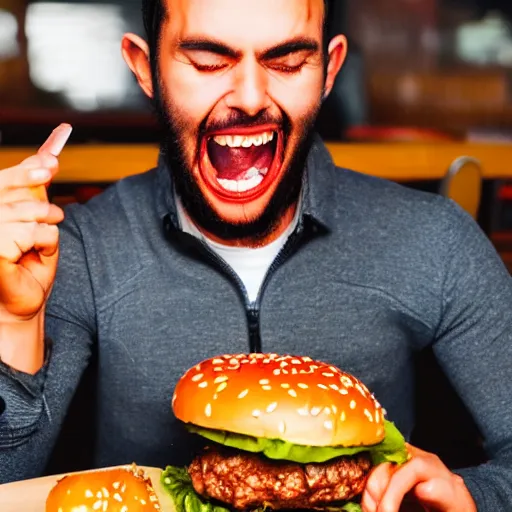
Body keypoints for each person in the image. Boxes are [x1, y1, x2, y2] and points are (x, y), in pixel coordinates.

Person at [0, 0, 510, 510]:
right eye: (208, 61)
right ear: (145, 68)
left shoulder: (433, 237)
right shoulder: (83, 249)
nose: (249, 97)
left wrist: (471, 497)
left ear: (329, 69)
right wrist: (14, 321)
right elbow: (9, 488)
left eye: (287, 62)